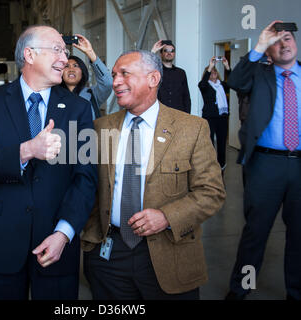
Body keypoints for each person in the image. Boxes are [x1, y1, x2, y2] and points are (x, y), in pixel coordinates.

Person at [81, 50, 226, 300]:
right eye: (114, 75)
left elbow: (211, 192)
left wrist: (167, 216)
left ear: (153, 78)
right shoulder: (100, 127)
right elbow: (84, 187)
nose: (115, 82)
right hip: (109, 257)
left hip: (170, 252)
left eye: (125, 74)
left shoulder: (191, 128)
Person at [0, 25, 97, 300]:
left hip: (56, 245)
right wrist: (26, 151)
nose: (65, 58)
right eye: (57, 50)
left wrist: (64, 233)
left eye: (65, 51)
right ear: (29, 54)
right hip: (0, 242)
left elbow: (85, 177)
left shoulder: (79, 109)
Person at [226, 20, 301, 301]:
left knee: (299, 236)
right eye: (277, 41)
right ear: (268, 51)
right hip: (265, 165)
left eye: (288, 39)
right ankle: (240, 288)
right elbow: (234, 81)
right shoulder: (259, 74)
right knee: (255, 233)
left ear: (295, 43)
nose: (284, 44)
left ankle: (296, 292)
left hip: (300, 164)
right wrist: (259, 44)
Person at [61, 34, 113, 120]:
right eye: (66, 66)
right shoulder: (52, 94)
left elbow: (108, 83)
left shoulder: (92, 94)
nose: (71, 69)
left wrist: (90, 52)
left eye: (76, 66)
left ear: (83, 72)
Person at [198, 57, 231, 171]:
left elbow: (233, 83)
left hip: (222, 117)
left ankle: (221, 165)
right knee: (210, 143)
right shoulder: (204, 85)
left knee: (222, 142)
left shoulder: (222, 85)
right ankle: (210, 165)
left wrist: (227, 67)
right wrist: (210, 66)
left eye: (215, 71)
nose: (213, 74)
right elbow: (202, 84)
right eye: (211, 72)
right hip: (209, 117)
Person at [151, 40, 191, 113]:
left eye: (172, 51)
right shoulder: (155, 71)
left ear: (174, 54)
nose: (169, 53)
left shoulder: (181, 73)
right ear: (161, 53)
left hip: (178, 113)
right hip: (160, 113)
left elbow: (186, 96)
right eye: (166, 50)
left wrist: (187, 116)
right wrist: (153, 52)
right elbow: (144, 68)